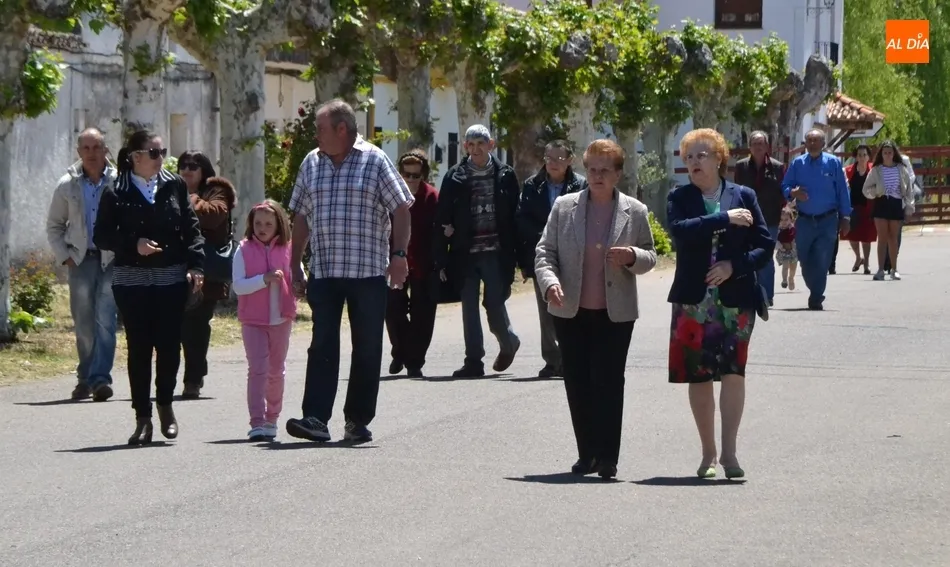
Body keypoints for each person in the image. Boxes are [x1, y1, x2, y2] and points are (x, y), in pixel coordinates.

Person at [285, 99, 414, 444]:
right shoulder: (312, 163)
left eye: (321, 128)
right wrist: (295, 262)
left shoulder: (375, 160)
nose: (316, 135)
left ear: (341, 129)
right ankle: (316, 418)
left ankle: (357, 420)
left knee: (367, 347)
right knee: (322, 344)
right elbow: (301, 216)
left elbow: (401, 209)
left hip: (368, 272)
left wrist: (399, 255)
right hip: (325, 271)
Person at [535, 139, 656, 480]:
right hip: (570, 310)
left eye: (605, 170)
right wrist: (549, 283)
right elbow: (544, 252)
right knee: (577, 381)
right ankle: (586, 454)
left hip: (615, 313)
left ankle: (607, 458)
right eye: (591, 169)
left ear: (618, 174)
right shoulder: (564, 207)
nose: (597, 176)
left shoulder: (635, 211)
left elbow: (650, 255)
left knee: (609, 382)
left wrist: (632, 256)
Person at [667, 128, 774, 480]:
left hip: (736, 300)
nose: (694, 162)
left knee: (733, 373)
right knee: (698, 374)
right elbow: (680, 230)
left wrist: (733, 266)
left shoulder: (744, 195)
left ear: (719, 159)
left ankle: (730, 453)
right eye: (689, 157)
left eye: (701, 155)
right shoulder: (679, 197)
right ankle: (708, 454)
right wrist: (724, 218)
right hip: (693, 302)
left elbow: (764, 245)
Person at [93, 129, 205, 445]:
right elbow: (102, 235)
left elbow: (192, 229)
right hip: (132, 281)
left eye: (162, 152)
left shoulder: (174, 185)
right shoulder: (115, 190)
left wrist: (196, 266)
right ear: (135, 157)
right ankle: (142, 417)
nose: (161, 159)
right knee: (140, 348)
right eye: (154, 153)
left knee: (169, 346)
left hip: (171, 278)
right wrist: (134, 244)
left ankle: (165, 405)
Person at [433, 124, 521, 378]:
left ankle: (509, 342)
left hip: (496, 251)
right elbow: (442, 216)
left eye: (481, 143)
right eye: (471, 144)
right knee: (468, 307)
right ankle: (473, 360)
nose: (476, 149)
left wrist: (518, 255)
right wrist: (441, 257)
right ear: (465, 147)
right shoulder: (455, 176)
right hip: (465, 252)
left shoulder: (506, 174)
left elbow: (515, 216)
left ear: (491, 145)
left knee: (494, 303)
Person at [46, 128, 119, 402]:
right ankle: (85, 378)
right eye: (86, 148)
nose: (91, 153)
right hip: (80, 259)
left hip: (111, 259)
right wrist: (65, 256)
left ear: (105, 150)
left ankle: (100, 380)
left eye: (96, 147)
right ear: (79, 152)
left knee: (106, 320)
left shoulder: (119, 182)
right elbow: (54, 226)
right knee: (84, 323)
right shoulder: (67, 185)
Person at [516, 140, 587, 378]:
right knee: (546, 309)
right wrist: (527, 260)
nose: (553, 163)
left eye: (559, 159)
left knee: (572, 307)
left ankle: (572, 358)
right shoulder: (531, 186)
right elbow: (523, 221)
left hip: (573, 255)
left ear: (570, 160)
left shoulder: (581, 185)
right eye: (549, 158)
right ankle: (552, 361)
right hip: (542, 255)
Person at [232, 200, 299, 441]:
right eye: (258, 223)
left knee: (276, 371)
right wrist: (263, 279)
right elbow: (238, 286)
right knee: (258, 369)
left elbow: (297, 274)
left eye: (268, 224)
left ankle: (272, 418)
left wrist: (300, 284)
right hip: (253, 321)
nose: (262, 228)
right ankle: (257, 422)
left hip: (281, 320)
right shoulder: (243, 249)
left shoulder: (289, 249)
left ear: (279, 225)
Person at [177, 150, 236, 399]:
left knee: (197, 326)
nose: (187, 170)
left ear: (204, 170)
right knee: (177, 327)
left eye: (193, 165)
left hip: (206, 272)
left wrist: (190, 199)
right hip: (175, 269)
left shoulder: (216, 189)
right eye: (183, 165)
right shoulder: (170, 189)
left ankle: (193, 379)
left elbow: (214, 216)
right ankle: (184, 374)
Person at [781, 129, 851, 310]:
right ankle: (815, 288)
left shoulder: (833, 163)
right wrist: (793, 192)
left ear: (823, 144)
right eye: (809, 140)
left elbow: (842, 191)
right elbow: (785, 185)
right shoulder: (798, 164)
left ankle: (816, 296)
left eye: (816, 140)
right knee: (804, 259)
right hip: (804, 221)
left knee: (822, 259)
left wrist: (845, 216)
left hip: (828, 220)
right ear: (805, 143)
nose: (812, 144)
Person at [385, 150, 440, 379]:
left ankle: (415, 361)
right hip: (395, 261)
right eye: (406, 174)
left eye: (415, 175)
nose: (410, 179)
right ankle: (400, 351)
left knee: (423, 314)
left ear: (423, 175)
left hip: (424, 264)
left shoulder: (432, 197)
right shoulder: (391, 197)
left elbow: (439, 231)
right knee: (392, 309)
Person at [733, 131, 785, 305]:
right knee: (747, 255)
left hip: (770, 218)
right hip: (746, 218)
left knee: (766, 256)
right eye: (754, 143)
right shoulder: (741, 166)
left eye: (761, 143)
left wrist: (785, 213)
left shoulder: (777, 167)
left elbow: (782, 193)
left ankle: (767, 296)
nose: (758, 147)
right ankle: (750, 292)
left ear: (767, 146)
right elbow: (736, 191)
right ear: (750, 147)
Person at [862, 140, 915, 281]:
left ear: (894, 154)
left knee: (893, 238)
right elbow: (866, 188)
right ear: (881, 154)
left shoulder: (901, 169)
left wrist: (909, 208)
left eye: (890, 152)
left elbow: (909, 191)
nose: (887, 155)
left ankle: (894, 269)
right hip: (881, 203)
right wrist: (876, 192)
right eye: (885, 153)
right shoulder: (876, 170)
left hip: (896, 203)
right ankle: (880, 270)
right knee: (882, 238)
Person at [842, 145, 876, 275]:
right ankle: (858, 257)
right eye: (859, 155)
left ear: (868, 157)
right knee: (852, 236)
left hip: (868, 208)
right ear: (856, 157)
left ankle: (866, 263)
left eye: (864, 155)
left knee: (866, 238)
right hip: (852, 208)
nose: (862, 157)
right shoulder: (848, 171)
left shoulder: (873, 171)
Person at [776, 206, 799, 290]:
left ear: (791, 219)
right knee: (785, 266)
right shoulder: (778, 230)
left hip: (793, 251)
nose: (784, 222)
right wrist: (779, 245)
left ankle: (791, 278)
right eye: (781, 220)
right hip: (783, 250)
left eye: (786, 219)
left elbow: (795, 238)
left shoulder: (792, 229)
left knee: (793, 268)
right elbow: (776, 240)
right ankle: (784, 280)